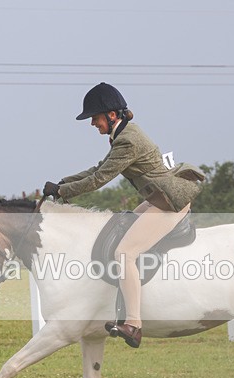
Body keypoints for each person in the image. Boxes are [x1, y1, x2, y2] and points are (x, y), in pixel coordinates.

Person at [42, 82, 203, 349]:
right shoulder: (122, 135)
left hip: (168, 202)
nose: (93, 123)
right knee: (120, 225)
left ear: (112, 115)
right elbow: (98, 167)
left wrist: (62, 190)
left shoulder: (127, 140)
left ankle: (133, 324)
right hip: (156, 198)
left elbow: (100, 179)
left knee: (124, 253)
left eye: (95, 118)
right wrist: (62, 183)